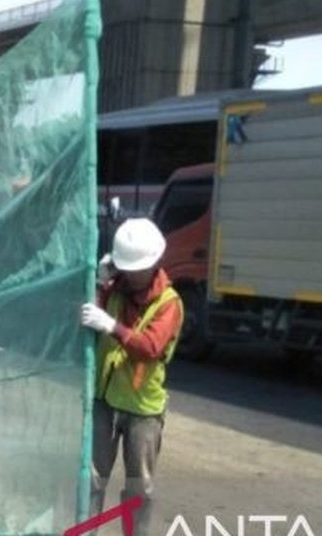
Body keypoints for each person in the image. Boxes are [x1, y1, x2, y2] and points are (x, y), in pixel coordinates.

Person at [80, 217, 184, 536]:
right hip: (105, 401)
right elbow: (88, 317)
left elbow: (150, 347)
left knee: (138, 489)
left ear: (154, 263)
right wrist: (99, 283)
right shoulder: (114, 292)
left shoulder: (170, 304)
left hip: (143, 411)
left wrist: (112, 326)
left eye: (137, 268)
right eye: (127, 268)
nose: (132, 274)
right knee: (92, 480)